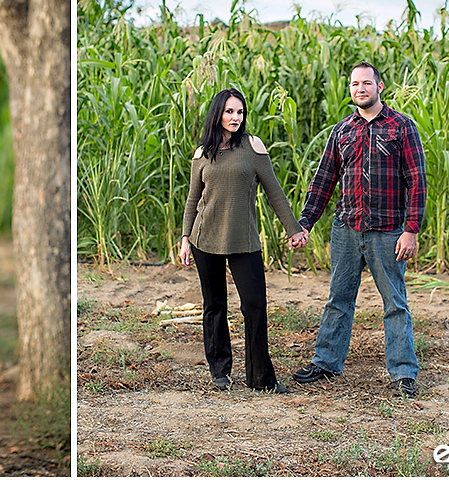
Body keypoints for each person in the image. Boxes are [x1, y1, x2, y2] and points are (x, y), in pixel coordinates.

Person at [291, 62, 426, 398]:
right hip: (346, 229)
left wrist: (411, 230)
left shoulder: (401, 127)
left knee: (395, 302)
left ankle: (403, 373)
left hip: (388, 231)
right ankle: (326, 362)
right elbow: (324, 180)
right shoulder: (342, 131)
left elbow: (417, 181)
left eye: (367, 83)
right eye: (354, 84)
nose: (360, 89)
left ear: (380, 86)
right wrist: (304, 223)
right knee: (339, 299)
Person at [180, 88, 307, 393]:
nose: (235, 118)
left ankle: (261, 379)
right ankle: (220, 371)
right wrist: (185, 237)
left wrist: (293, 229)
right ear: (217, 114)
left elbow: (274, 191)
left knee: (254, 305)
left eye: (239, 112)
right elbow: (193, 198)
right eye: (229, 112)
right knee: (214, 305)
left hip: (244, 239)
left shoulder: (253, 146)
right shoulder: (202, 154)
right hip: (204, 237)